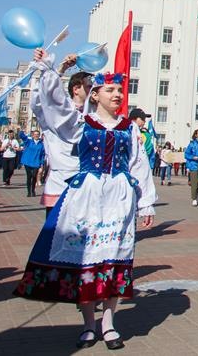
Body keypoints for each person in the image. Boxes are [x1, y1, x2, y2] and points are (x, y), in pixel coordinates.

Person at [15, 49, 155, 351]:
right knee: (88, 258)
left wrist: (146, 202)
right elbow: (55, 108)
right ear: (95, 95)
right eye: (110, 89)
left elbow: (139, 165)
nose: (117, 94)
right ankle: (89, 323)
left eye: (120, 89)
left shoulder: (129, 128)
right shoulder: (81, 124)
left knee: (116, 255)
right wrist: (51, 71)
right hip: (88, 197)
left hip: (119, 197)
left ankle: (109, 323)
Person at [31, 59, 88, 213]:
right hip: (61, 180)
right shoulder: (55, 111)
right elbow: (40, 102)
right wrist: (57, 70)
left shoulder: (94, 114)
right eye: (89, 87)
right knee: (55, 233)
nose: (93, 91)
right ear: (76, 89)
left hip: (87, 182)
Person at [18, 130, 46, 197]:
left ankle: (33, 190)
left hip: (36, 162)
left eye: (37, 134)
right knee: (29, 176)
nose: (36, 135)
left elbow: (42, 154)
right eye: (35, 134)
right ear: (32, 135)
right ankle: (29, 192)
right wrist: (22, 131)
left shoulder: (41, 144)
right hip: (27, 162)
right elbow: (22, 136)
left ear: (39, 135)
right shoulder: (29, 142)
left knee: (34, 176)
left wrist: (41, 163)